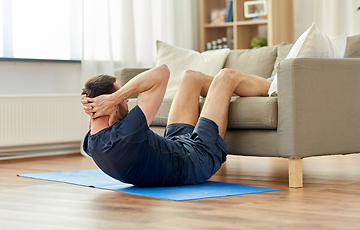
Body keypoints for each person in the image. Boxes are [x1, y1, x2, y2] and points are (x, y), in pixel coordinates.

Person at [81, 64, 271, 187]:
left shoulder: (91, 143)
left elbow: (98, 123)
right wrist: (116, 97)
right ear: (111, 105)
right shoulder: (126, 135)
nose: (126, 101)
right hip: (198, 158)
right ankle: (276, 87)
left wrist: (100, 103)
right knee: (226, 76)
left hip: (176, 147)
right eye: (122, 98)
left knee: (191, 77)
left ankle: (231, 93)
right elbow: (162, 72)